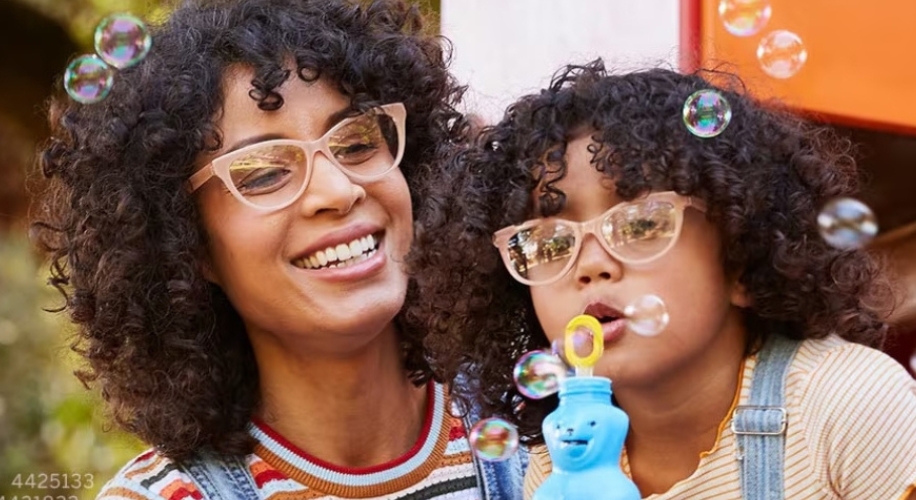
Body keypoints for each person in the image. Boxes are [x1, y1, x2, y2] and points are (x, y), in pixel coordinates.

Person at [31, 0, 526, 498]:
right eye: (265, 171)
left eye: (356, 142)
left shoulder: (554, 431)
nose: (337, 190)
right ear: (188, 242)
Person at [406, 59, 916, 499]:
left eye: (641, 223)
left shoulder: (846, 404)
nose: (591, 264)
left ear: (740, 257)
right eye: (549, 241)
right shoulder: (561, 459)